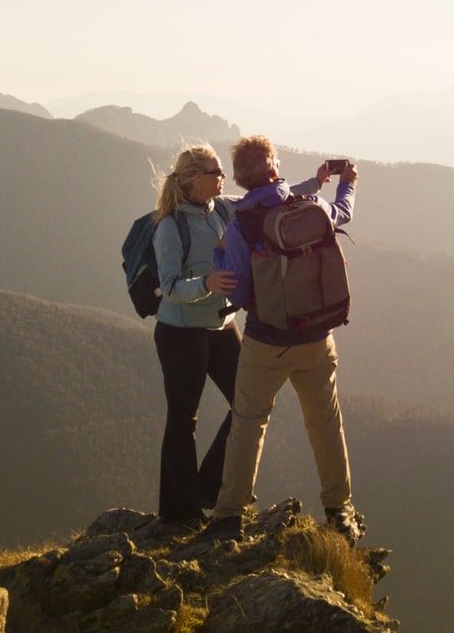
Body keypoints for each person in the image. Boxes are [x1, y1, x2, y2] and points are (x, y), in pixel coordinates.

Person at [207, 134, 365, 542]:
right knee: (326, 423)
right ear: (275, 166)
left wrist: (219, 254)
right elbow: (342, 213)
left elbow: (237, 291)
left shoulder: (242, 224)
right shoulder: (310, 206)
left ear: (241, 180)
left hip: (266, 343)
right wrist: (347, 183)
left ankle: (228, 516)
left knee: (248, 423)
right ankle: (339, 509)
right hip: (317, 337)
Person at [148, 144, 243, 524]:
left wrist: (313, 185)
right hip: (180, 333)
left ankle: (207, 488)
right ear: (193, 179)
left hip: (221, 326)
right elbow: (169, 288)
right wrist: (207, 282)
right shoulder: (169, 226)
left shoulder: (219, 208)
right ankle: (179, 513)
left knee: (249, 404)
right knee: (184, 419)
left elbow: (261, 199)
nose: (224, 177)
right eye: (216, 171)